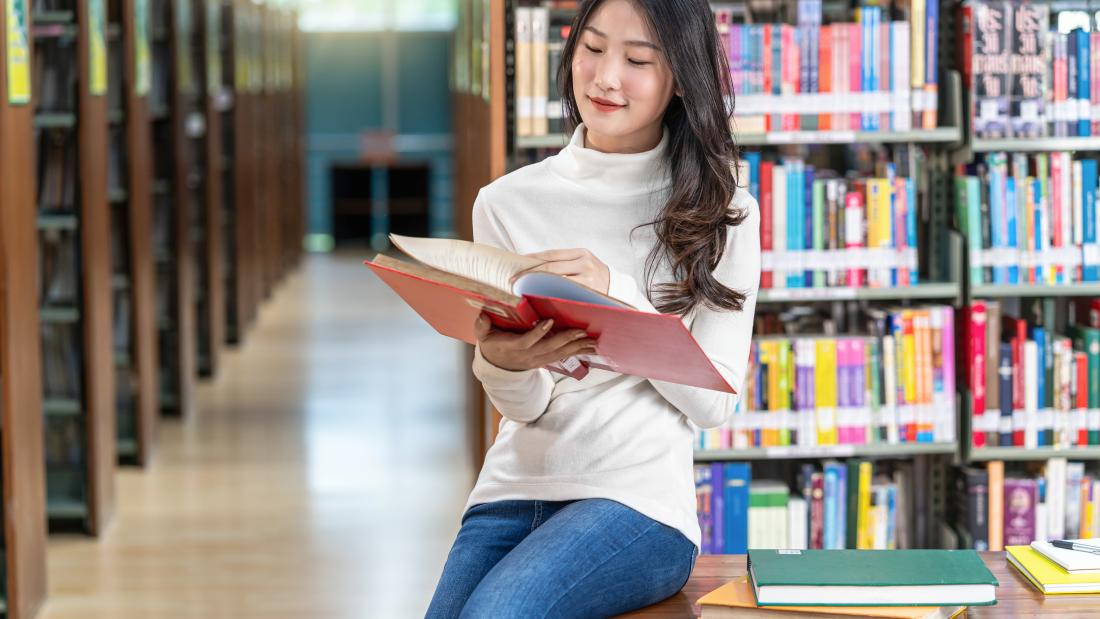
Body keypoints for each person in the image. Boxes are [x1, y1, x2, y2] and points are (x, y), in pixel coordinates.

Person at [426, 0, 759, 616]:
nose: (606, 77)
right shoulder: (505, 202)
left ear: (681, 77)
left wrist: (619, 299)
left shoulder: (724, 208)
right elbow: (525, 408)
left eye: (637, 60)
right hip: (512, 487)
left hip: (637, 503)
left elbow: (714, 403)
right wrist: (500, 361)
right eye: (592, 48)